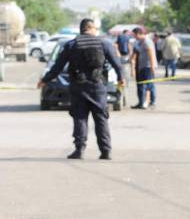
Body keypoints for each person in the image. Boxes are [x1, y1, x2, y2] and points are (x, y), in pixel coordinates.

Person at [38, 18, 125, 160]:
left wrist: (44, 80)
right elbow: (117, 64)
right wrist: (121, 78)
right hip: (98, 87)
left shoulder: (71, 45)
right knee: (101, 118)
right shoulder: (104, 43)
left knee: (80, 117)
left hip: (79, 87)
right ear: (91, 28)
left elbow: (57, 67)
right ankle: (106, 151)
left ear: (81, 29)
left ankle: (79, 150)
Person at [130, 27, 157, 109]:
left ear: (138, 34)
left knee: (148, 85)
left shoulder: (146, 41)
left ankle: (149, 102)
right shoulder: (140, 42)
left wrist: (152, 67)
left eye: (134, 35)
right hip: (142, 66)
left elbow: (151, 55)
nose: (134, 37)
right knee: (141, 85)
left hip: (148, 66)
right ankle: (141, 102)